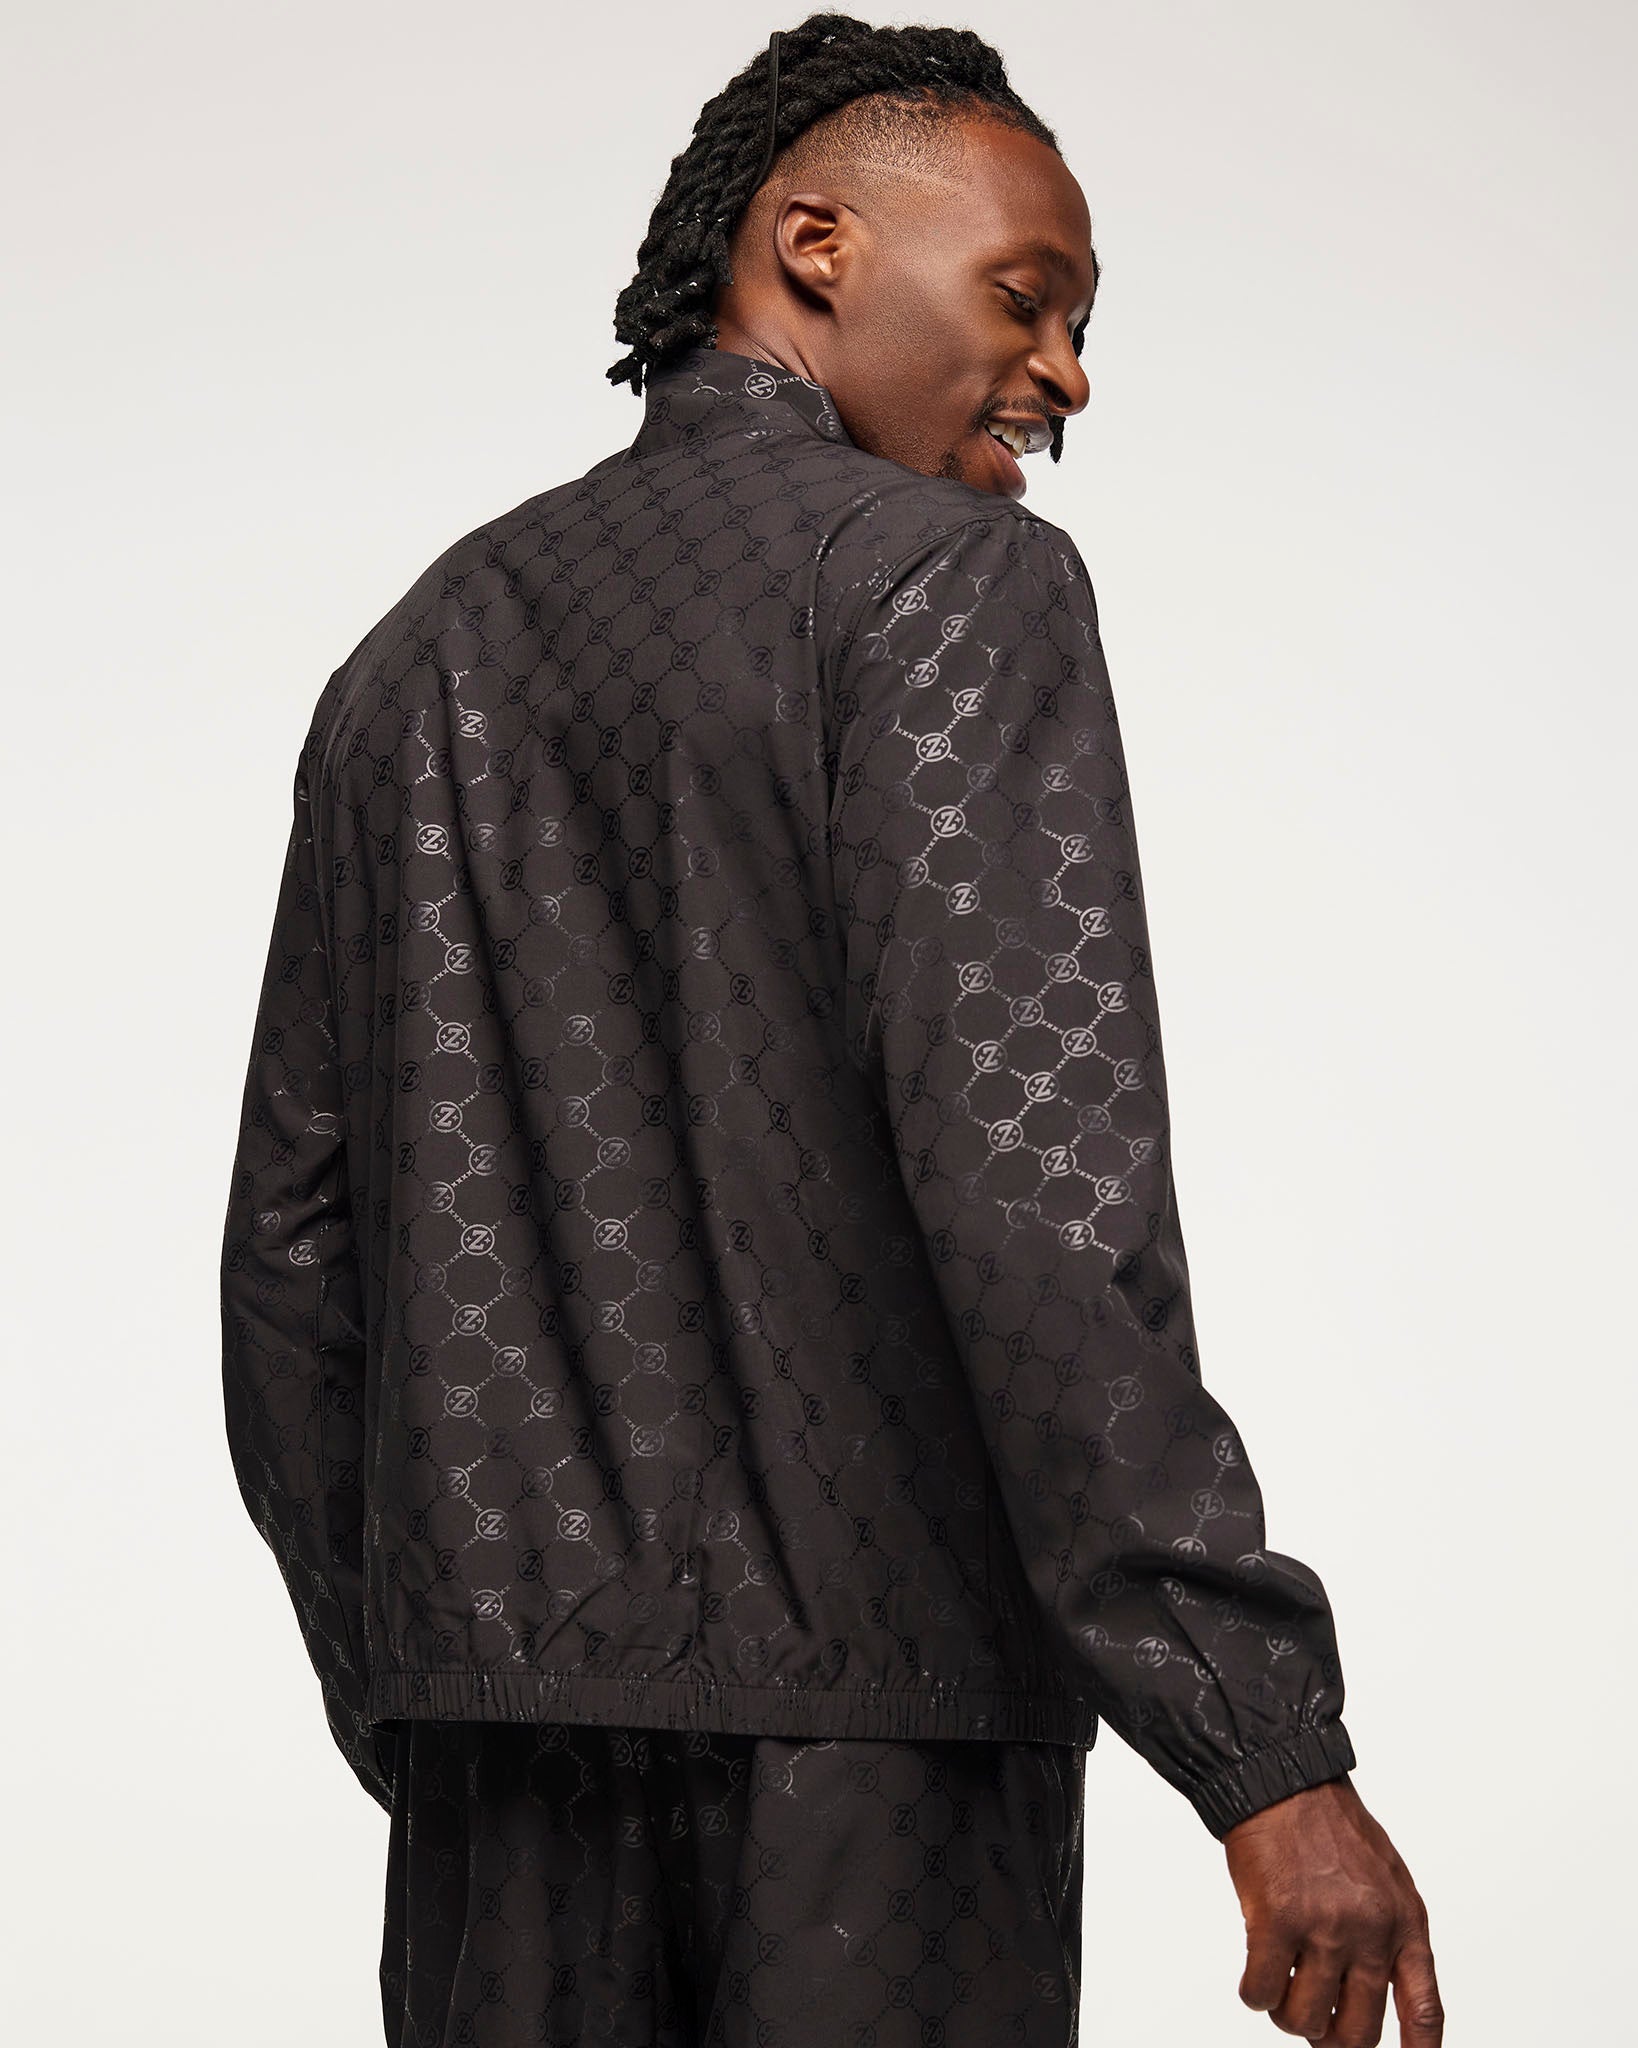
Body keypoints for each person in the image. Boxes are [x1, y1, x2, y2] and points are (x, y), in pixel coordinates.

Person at [220, 14, 1442, 2046]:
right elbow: (1036, 1197)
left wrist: (430, 1686)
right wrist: (1261, 1744)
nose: (1064, 373)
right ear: (813, 245)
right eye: (1026, 296)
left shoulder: (410, 657)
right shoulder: (947, 585)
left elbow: (292, 1259)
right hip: (883, 1753)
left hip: (498, 1768)